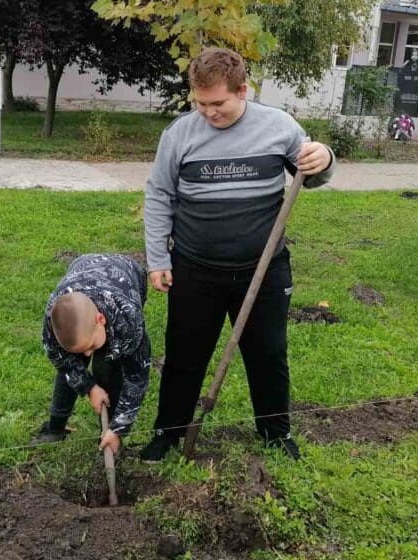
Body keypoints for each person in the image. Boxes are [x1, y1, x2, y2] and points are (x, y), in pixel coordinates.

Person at [140, 47, 336, 462]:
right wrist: (158, 258)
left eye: (218, 103)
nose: (208, 113)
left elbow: (312, 176)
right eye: (200, 103)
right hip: (195, 267)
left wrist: (325, 158)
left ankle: (275, 432)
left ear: (243, 90)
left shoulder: (279, 126)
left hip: (262, 269)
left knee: (267, 353)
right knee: (183, 355)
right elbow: (159, 195)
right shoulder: (179, 135)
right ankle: (168, 432)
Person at [35, 254, 151, 455]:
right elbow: (62, 361)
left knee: (108, 367)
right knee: (72, 365)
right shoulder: (52, 320)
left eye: (90, 346)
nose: (88, 353)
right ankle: (55, 427)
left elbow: (136, 379)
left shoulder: (129, 320)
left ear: (100, 319)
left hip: (128, 273)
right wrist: (89, 387)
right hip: (83, 265)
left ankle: (109, 436)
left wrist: (119, 428)